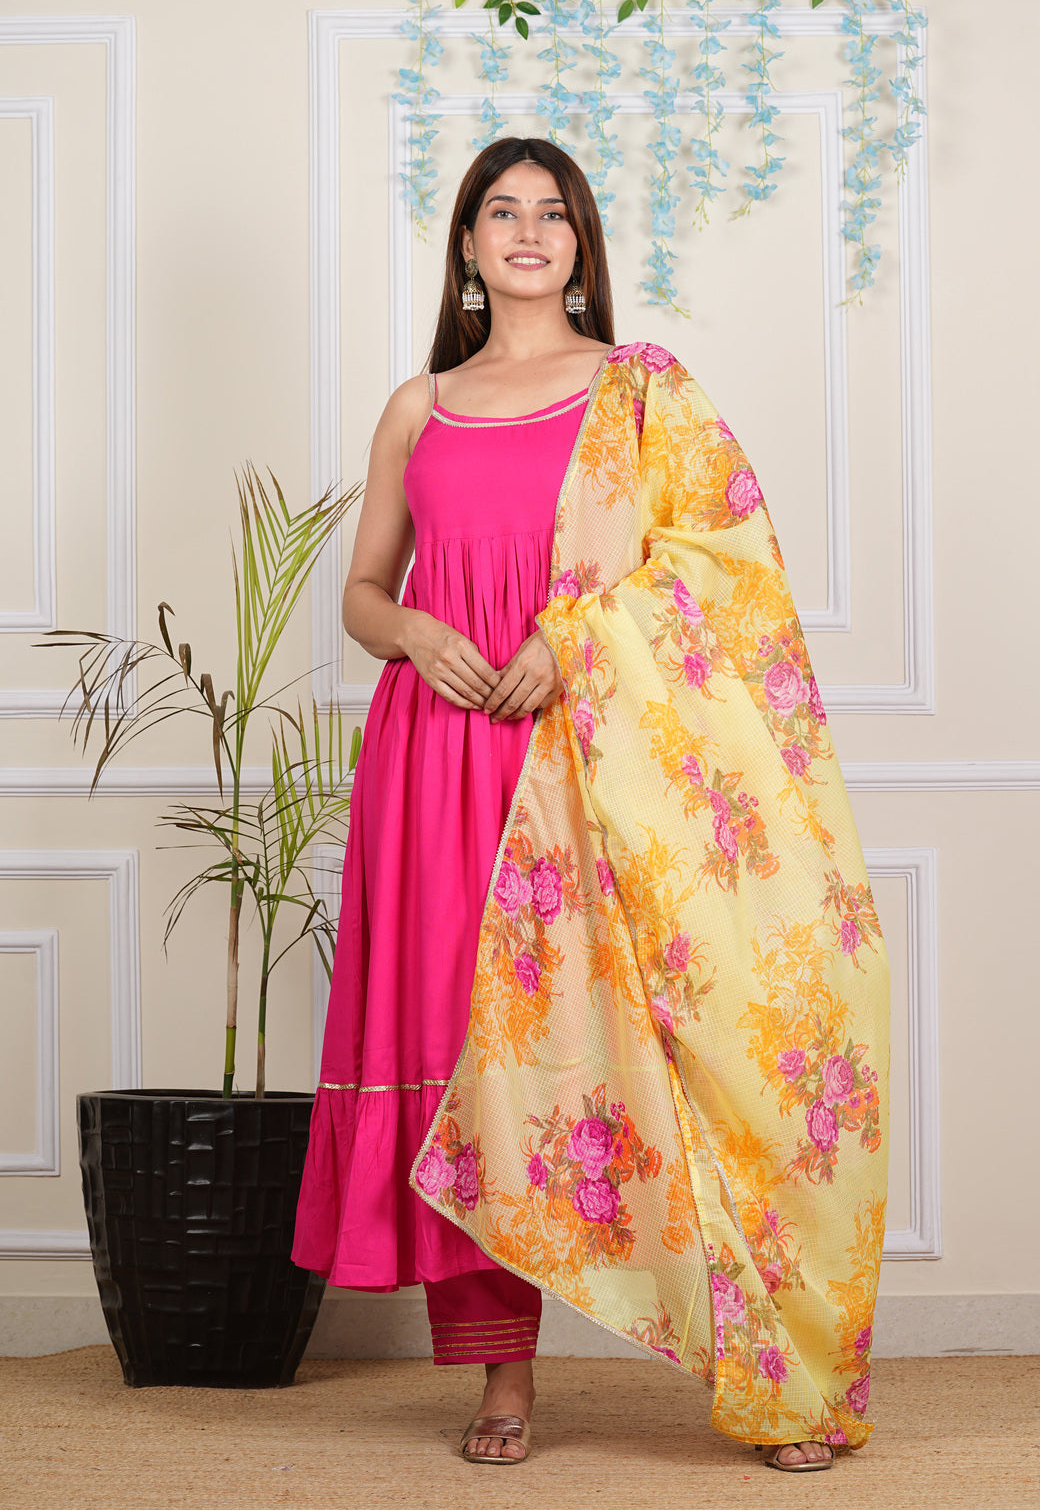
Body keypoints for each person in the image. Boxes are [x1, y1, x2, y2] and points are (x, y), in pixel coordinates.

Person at [292, 137, 889, 1475]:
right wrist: (414, 632)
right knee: (466, 1046)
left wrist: (571, 645)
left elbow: (721, 563)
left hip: (594, 762)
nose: (526, 230)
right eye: (501, 211)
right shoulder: (419, 407)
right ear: (465, 244)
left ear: (581, 244)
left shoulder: (640, 391)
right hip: (438, 754)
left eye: (552, 213)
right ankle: (502, 1378)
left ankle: (773, 1365)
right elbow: (364, 592)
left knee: (676, 1042)